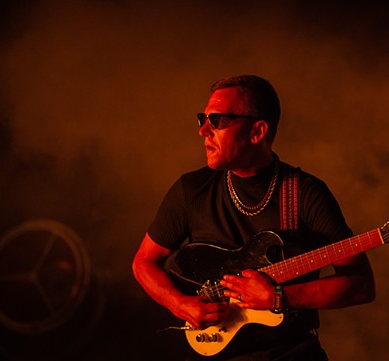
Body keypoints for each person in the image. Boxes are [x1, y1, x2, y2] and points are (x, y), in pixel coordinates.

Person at [132, 75, 375, 360]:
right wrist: (179, 304)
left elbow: (361, 284)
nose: (203, 131)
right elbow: (143, 262)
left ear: (257, 131)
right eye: (203, 119)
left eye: (218, 120)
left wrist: (278, 298)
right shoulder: (191, 190)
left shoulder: (305, 193)